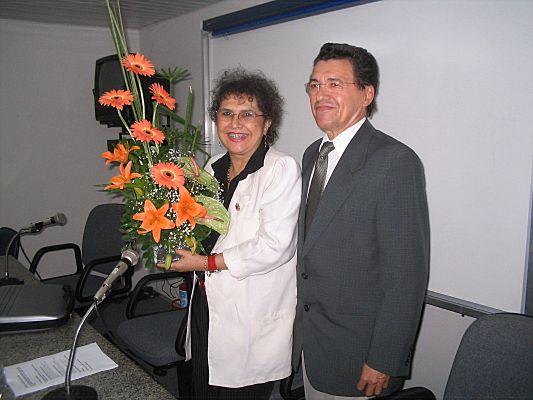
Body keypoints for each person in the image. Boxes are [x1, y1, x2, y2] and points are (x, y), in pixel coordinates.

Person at [292, 43, 430, 399]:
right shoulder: (312, 154)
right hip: (313, 341)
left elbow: (406, 274)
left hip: (359, 354)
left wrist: (384, 358)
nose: (321, 93)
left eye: (334, 83)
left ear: (367, 94)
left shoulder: (394, 161)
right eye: (314, 84)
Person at [167, 68, 301, 399]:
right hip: (206, 303)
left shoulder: (280, 169)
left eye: (247, 114)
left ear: (267, 124)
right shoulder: (213, 166)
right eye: (226, 113)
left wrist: (205, 263)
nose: (235, 123)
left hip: (249, 317)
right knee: (202, 386)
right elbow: (202, 227)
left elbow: (275, 247)